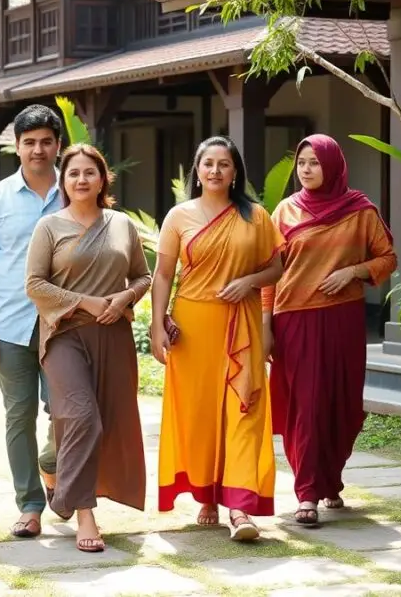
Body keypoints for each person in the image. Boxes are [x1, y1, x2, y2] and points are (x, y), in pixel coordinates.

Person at [149, 135, 285, 542]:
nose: (215, 171)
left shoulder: (256, 216)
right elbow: (163, 275)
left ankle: (240, 508)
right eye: (208, 163)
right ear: (197, 169)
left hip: (239, 322)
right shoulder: (179, 216)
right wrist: (158, 323)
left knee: (244, 409)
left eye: (223, 164)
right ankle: (208, 494)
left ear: (235, 171)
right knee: (202, 415)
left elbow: (275, 268)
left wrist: (248, 282)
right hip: (193, 327)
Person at [263, 134, 396, 525]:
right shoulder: (285, 211)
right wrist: (266, 325)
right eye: (301, 162)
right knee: (306, 404)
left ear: (333, 165)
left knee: (341, 403)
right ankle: (306, 492)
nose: (306, 169)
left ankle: (331, 479)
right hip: (294, 319)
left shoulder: (360, 211)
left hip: (343, 317)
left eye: (314, 163)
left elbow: (387, 257)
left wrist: (353, 271)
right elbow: (271, 273)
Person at [25, 144, 151, 552]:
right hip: (64, 334)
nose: (81, 180)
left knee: (110, 423)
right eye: (73, 173)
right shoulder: (49, 227)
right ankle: (83, 512)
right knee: (81, 417)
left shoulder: (121, 224)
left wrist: (124, 299)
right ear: (64, 180)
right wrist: (86, 302)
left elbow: (142, 277)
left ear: (103, 179)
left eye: (89, 173)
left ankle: (62, 486)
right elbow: (34, 285)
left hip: (113, 334)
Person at [0, 104, 64, 538]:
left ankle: (52, 464)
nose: (38, 150)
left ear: (58, 145)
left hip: (65, 326)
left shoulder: (76, 191)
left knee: (68, 411)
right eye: (29, 143)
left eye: (46, 141)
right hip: (8, 327)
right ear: (16, 147)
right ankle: (29, 505)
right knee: (18, 416)